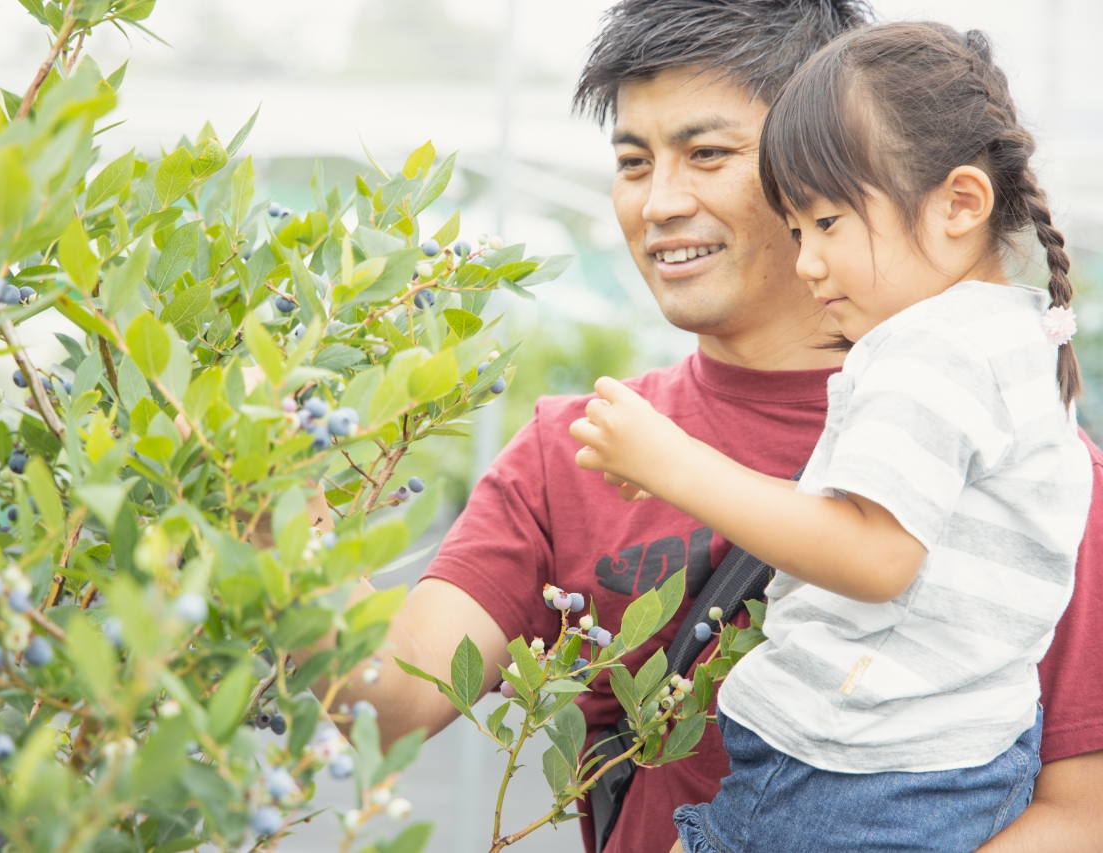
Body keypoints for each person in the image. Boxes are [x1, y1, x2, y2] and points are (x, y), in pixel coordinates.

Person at [320, 3, 1103, 852]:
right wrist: (273, 499)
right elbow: (390, 704)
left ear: (822, 152)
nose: (658, 202)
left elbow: (1081, 812)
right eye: (632, 161)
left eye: (707, 154)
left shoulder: (1027, 459)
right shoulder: (575, 449)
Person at [571, 21, 1091, 853]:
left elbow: (875, 556)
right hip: (948, 770)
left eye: (827, 223)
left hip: (850, 777)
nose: (808, 261)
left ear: (960, 202)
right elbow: (885, 536)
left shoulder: (930, 349)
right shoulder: (1015, 340)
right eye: (798, 226)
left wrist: (676, 463)